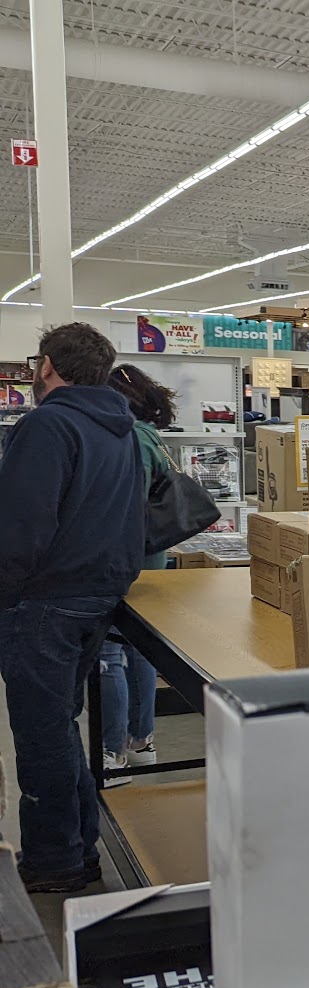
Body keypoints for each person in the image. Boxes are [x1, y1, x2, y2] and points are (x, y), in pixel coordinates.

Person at [0, 323, 146, 893]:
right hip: (96, 596)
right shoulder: (121, 428)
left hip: (44, 601)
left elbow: (20, 529)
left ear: (47, 366)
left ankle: (54, 860)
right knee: (58, 728)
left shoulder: (48, 424)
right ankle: (77, 851)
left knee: (42, 736)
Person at [98, 364, 180, 783]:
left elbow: (124, 502)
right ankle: (142, 740)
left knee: (109, 653)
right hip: (151, 558)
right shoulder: (151, 435)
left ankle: (113, 752)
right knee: (139, 650)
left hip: (122, 558)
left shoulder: (126, 437)